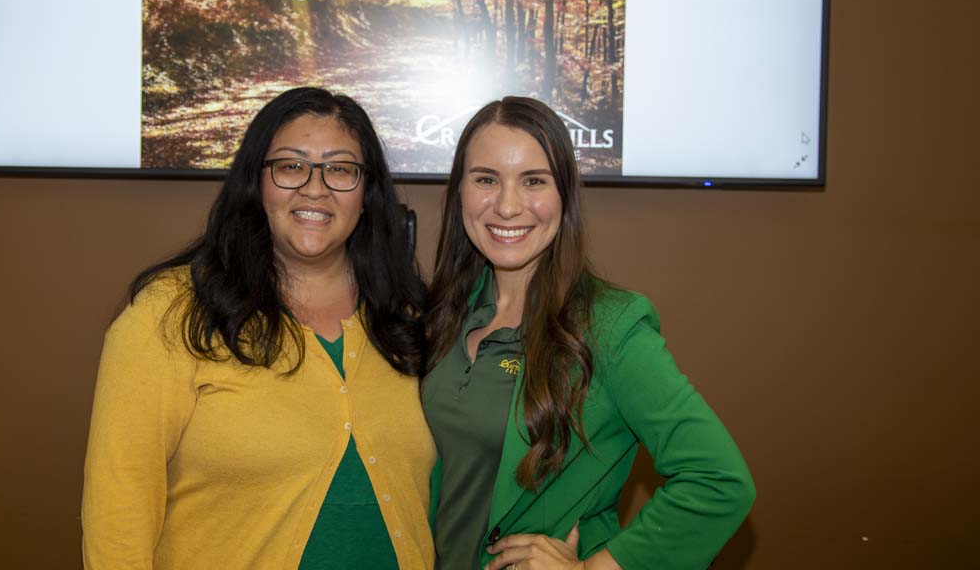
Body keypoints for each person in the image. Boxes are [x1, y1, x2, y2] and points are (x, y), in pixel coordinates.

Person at [82, 87, 435, 569]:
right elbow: (117, 511)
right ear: (257, 181)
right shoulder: (170, 314)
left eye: (340, 169)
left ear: (367, 193)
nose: (315, 188)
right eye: (291, 166)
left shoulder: (413, 318)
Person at [421, 97, 755, 570]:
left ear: (565, 196)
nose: (508, 205)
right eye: (486, 179)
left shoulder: (610, 326)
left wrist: (594, 569)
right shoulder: (441, 314)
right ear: (459, 192)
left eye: (534, 181)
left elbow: (719, 480)